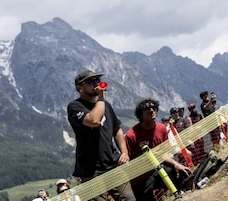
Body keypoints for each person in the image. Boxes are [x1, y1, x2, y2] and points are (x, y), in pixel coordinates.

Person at [67, 70, 135, 201]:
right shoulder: (75, 106)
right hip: (90, 170)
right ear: (79, 87)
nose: (96, 84)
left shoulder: (106, 105)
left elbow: (117, 130)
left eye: (98, 80)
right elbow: (94, 120)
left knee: (129, 199)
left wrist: (124, 152)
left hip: (113, 163)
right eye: (91, 82)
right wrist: (101, 98)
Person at [125, 99, 192, 201]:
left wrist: (175, 164)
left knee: (186, 173)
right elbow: (129, 163)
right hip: (140, 177)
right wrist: (146, 157)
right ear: (141, 114)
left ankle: (190, 196)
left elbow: (164, 154)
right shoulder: (131, 135)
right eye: (147, 109)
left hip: (159, 169)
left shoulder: (161, 129)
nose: (152, 110)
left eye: (154, 108)